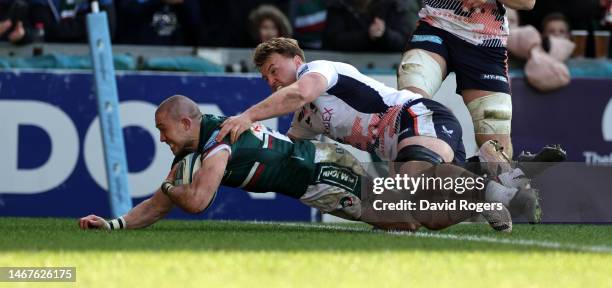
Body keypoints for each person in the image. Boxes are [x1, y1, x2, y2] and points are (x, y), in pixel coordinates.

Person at [78, 95, 518, 232]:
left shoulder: (215, 148)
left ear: (187, 121)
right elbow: (159, 203)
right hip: (316, 167)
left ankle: (480, 189)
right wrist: (114, 225)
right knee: (403, 217)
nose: (160, 137)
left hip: (319, 173)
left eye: (163, 129)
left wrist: (173, 187)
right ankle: (477, 193)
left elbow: (193, 202)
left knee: (404, 217)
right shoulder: (200, 144)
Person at [214, 38, 539, 223]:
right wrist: (236, 161)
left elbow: (300, 92)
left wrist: (246, 116)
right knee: (426, 215)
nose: (272, 81)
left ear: (297, 59)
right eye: (266, 79)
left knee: (416, 179)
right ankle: (484, 170)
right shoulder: (304, 118)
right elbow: (288, 151)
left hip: (417, 116)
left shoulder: (317, 70)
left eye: (274, 70)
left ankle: (496, 192)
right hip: (405, 144)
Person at [397, 0, 536, 159]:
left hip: (486, 41)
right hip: (436, 25)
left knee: (496, 144)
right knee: (409, 102)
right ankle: (403, 178)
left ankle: (497, 180)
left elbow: (528, 2)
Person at [322, 0, 414, 52]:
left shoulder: (396, 5)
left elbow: (405, 41)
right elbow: (333, 41)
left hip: (389, 69)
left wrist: (384, 33)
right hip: (345, 67)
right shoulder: (338, 5)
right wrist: (367, 36)